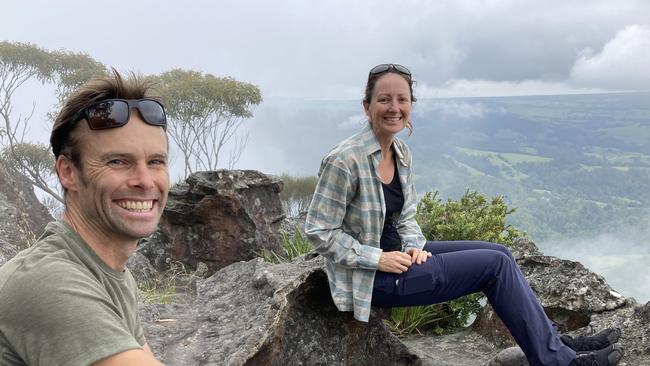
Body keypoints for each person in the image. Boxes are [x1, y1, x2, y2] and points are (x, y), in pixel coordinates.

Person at [304, 64, 624, 366]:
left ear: (411, 104)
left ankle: (555, 343)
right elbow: (319, 231)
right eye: (384, 99)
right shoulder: (345, 160)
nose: (394, 107)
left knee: (500, 252)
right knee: (494, 266)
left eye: (402, 99)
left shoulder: (400, 153)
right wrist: (378, 259)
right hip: (372, 278)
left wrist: (415, 245)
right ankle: (558, 362)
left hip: (402, 256)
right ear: (366, 106)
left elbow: (405, 217)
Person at [0, 70, 166, 365]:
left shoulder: (110, 272)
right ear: (68, 172)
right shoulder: (47, 282)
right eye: (118, 161)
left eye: (156, 162)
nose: (144, 180)